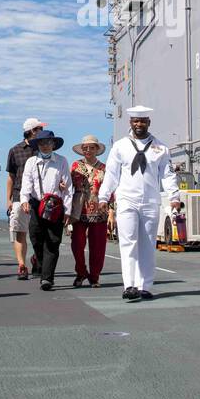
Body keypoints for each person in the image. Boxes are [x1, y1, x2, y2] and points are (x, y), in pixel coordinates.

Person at [97, 107, 181, 302]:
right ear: (130, 123)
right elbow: (111, 174)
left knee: (148, 244)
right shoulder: (120, 146)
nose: (139, 124)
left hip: (151, 201)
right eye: (135, 121)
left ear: (149, 122)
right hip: (127, 199)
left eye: (142, 121)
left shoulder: (160, 148)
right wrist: (104, 196)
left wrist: (174, 196)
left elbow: (167, 175)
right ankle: (130, 285)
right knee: (128, 243)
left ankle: (145, 286)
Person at [20, 130, 72, 291]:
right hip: (36, 204)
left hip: (55, 206)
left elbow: (68, 187)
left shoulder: (62, 161)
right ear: (38, 145)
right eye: (42, 143)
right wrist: (24, 200)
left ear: (54, 144)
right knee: (36, 238)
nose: (46, 146)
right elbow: (26, 183)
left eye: (49, 142)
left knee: (53, 241)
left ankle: (47, 278)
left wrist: (68, 210)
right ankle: (39, 262)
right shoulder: (31, 162)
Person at [69, 135, 114, 288]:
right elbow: (69, 188)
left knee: (98, 247)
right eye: (85, 148)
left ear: (97, 149)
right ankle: (81, 272)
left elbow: (111, 191)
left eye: (92, 147)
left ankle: (94, 276)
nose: (88, 150)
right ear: (82, 150)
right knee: (77, 244)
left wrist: (112, 213)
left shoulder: (104, 168)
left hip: (99, 211)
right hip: (78, 210)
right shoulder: (75, 166)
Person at [5, 118, 44, 278]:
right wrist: (8, 199)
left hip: (40, 198)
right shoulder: (15, 150)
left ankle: (36, 258)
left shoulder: (44, 149)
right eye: (39, 128)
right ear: (32, 131)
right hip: (18, 196)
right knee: (20, 232)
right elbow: (11, 177)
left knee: (39, 233)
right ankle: (22, 265)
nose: (42, 131)